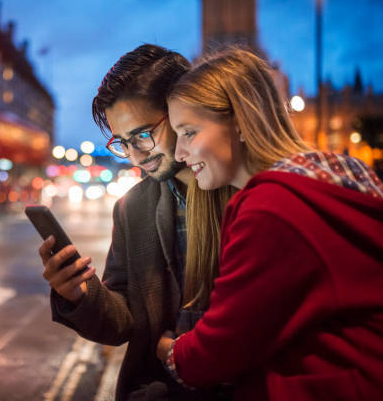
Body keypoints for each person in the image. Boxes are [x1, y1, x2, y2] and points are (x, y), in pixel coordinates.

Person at [156, 48, 383, 400]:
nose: (180, 155)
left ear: (241, 123)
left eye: (188, 133)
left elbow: (218, 351)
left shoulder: (271, 210)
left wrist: (167, 349)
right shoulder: (340, 175)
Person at [39, 44, 231, 400]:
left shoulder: (242, 192)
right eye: (123, 143)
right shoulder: (133, 206)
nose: (136, 156)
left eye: (143, 135)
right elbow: (124, 321)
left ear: (182, 112)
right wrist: (79, 294)